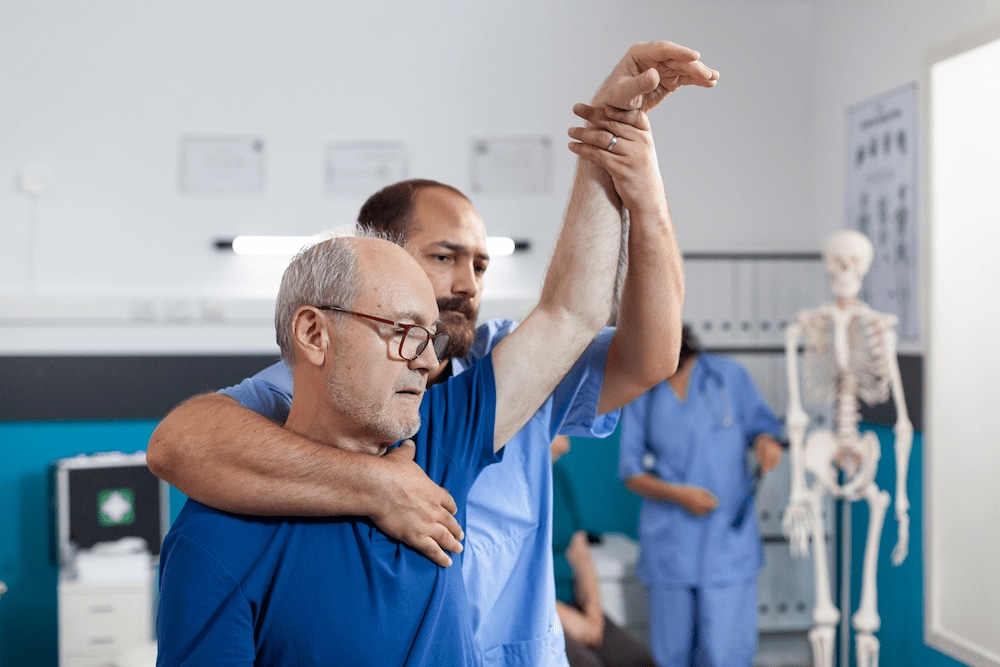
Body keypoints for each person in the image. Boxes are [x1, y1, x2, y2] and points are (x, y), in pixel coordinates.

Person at [148, 41, 719, 666]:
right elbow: (179, 444)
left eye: (480, 265)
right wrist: (377, 486)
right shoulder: (233, 510)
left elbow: (573, 312)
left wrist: (612, 138)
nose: (425, 358)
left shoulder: (440, 431)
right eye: (442, 259)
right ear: (316, 333)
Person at [618, 325, 784, 667]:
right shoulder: (644, 390)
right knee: (671, 656)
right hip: (671, 544)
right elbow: (630, 472)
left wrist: (766, 443)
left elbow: (763, 427)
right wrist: (679, 495)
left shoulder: (728, 377)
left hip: (726, 543)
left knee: (725, 655)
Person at [551, 435, 656, 667]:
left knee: (638, 660)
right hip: (542, 614)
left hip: (574, 603)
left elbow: (580, 552)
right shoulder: (511, 486)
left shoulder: (558, 477)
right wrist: (563, 618)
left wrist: (593, 613)